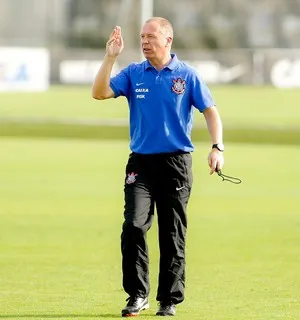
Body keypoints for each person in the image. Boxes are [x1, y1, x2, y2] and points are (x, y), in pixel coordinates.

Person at [92, 17, 224, 317]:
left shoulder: (186, 75)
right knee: (134, 226)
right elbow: (99, 93)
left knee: (172, 233)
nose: (145, 41)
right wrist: (110, 57)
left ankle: (169, 300)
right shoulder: (134, 73)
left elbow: (211, 112)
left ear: (168, 40)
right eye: (142, 36)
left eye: (151, 36)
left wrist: (217, 147)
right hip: (140, 164)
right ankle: (138, 295)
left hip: (176, 164)